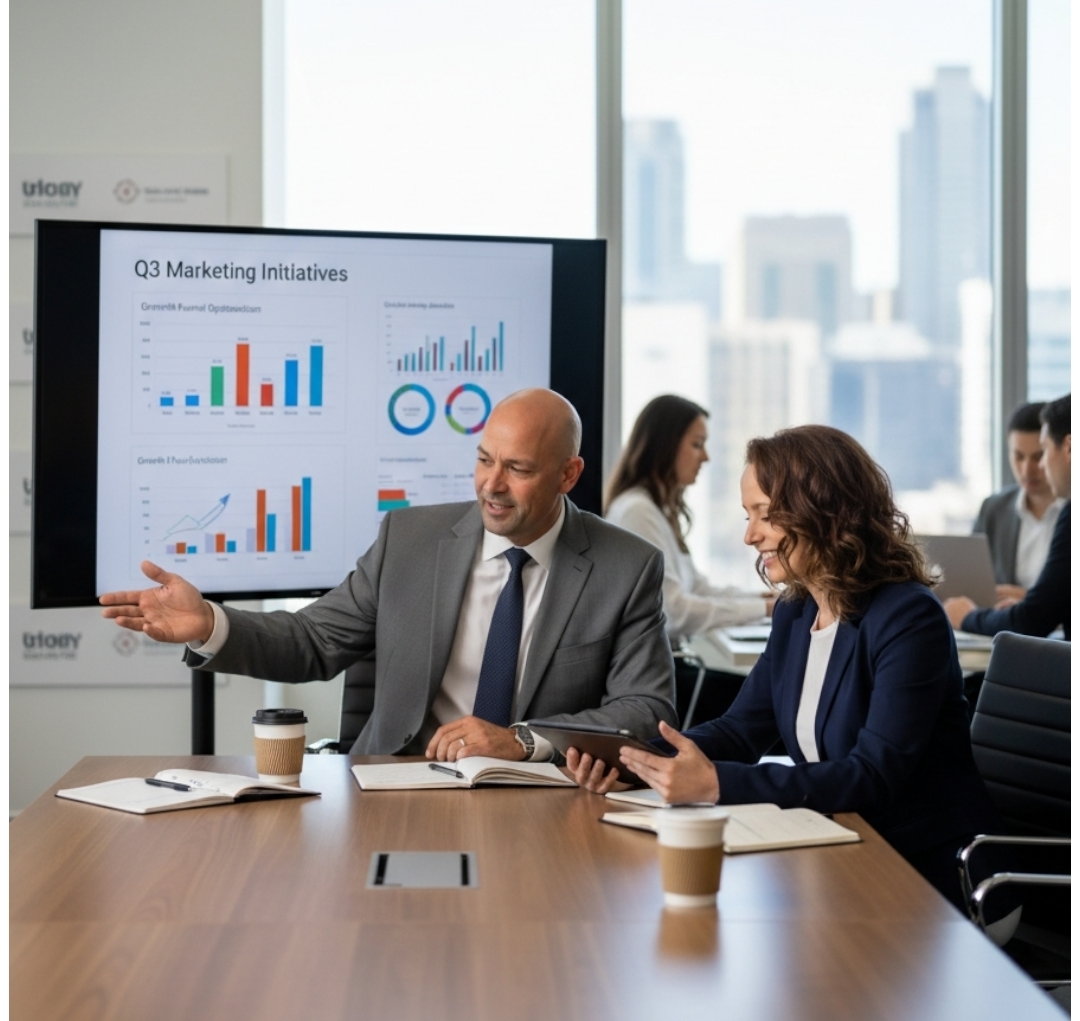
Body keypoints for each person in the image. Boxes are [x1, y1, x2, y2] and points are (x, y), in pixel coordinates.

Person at [101, 388, 678, 762]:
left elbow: (646, 709)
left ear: (568, 474)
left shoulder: (626, 566)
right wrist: (210, 625)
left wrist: (521, 740)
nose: (491, 485)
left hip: (542, 799)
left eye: (517, 469)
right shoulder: (410, 539)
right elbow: (312, 641)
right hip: (399, 782)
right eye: (483, 459)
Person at [570, 424, 1002, 910]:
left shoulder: (907, 616)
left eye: (765, 515)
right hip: (837, 847)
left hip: (929, 869)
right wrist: (635, 762)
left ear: (824, 511)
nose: (750, 535)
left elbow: (872, 777)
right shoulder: (797, 612)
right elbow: (741, 730)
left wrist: (716, 784)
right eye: (747, 515)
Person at [605, 395, 769, 721]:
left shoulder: (657, 510)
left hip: (676, 669)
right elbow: (675, 611)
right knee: (770, 703)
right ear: (664, 445)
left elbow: (699, 588)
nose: (705, 457)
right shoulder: (637, 512)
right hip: (661, 681)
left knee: (768, 696)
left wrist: (765, 599)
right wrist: (765, 608)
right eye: (697, 444)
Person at [946, 394, 1070, 640]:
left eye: (1042, 453)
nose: (1036, 468)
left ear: (1069, 447)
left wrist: (967, 617)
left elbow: (1033, 619)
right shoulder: (994, 507)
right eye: (1018, 456)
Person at [972, 400, 1063, 606]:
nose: (1027, 470)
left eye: (1038, 457)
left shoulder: (1070, 510)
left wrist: (1031, 602)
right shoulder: (994, 508)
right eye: (1018, 456)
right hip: (1000, 629)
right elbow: (972, 579)